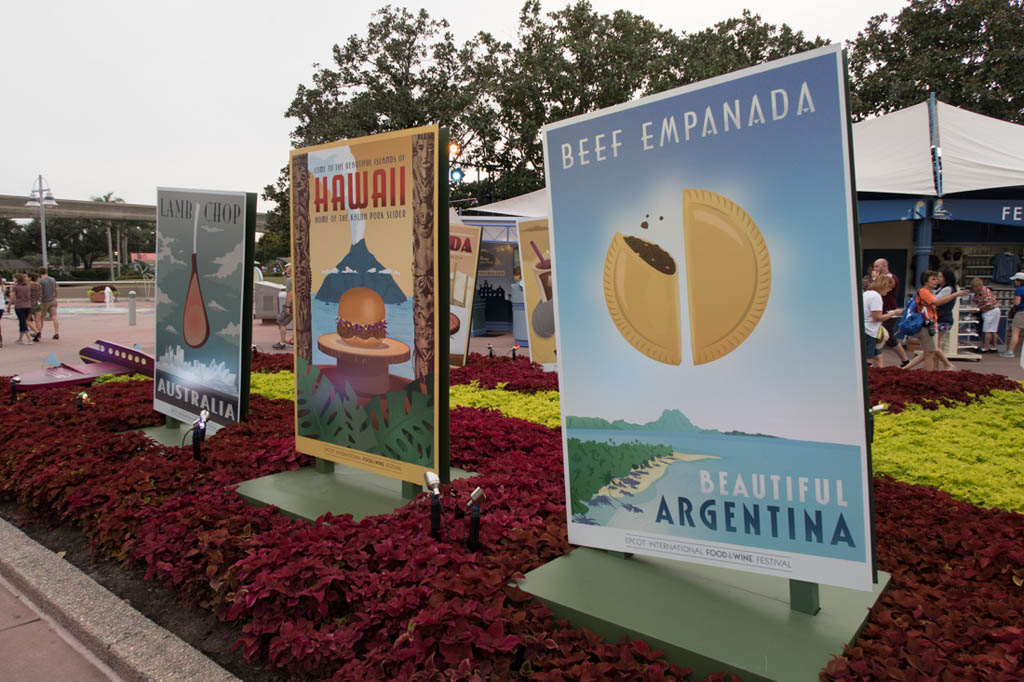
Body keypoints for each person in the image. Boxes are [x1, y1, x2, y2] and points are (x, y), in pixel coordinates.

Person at [902, 270, 970, 371]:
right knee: (930, 352)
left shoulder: (928, 291)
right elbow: (936, 302)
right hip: (927, 325)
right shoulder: (924, 291)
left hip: (930, 324)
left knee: (930, 351)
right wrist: (955, 295)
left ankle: (915, 369)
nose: (936, 281)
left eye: (937, 278)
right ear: (926, 281)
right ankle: (932, 373)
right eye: (933, 279)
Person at [873, 258, 910, 368]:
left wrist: (875, 279)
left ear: (884, 266)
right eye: (874, 266)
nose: (875, 269)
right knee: (880, 336)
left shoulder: (891, 278)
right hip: (880, 311)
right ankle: (904, 359)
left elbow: (881, 287)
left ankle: (905, 359)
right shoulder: (880, 278)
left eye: (877, 266)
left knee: (886, 336)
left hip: (889, 311)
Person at [863, 275, 902, 367]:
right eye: (889, 287)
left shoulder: (865, 294)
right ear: (884, 285)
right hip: (870, 331)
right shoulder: (876, 297)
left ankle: (878, 372)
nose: (889, 290)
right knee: (868, 359)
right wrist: (893, 313)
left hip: (865, 328)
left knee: (877, 355)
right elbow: (877, 317)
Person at [969, 277, 1000, 353]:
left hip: (991, 311)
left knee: (987, 330)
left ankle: (985, 347)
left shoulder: (986, 292)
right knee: (993, 330)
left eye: (974, 287)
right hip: (993, 311)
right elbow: (975, 300)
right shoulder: (978, 292)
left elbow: (989, 304)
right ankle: (993, 347)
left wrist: (978, 308)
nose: (973, 289)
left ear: (978, 286)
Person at [1000, 272, 1024, 358]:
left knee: (1015, 333)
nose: (1014, 282)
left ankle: (1010, 351)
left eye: (1015, 280)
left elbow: (1017, 302)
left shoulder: (1019, 289)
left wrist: (1012, 301)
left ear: (1019, 281)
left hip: (1021, 312)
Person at [273, 262, 293, 350]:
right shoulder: (296, 279)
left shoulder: (290, 280)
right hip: (297, 305)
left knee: (281, 322)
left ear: (291, 269)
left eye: (287, 268)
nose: (285, 270)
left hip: (290, 305)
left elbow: (290, 294)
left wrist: (287, 307)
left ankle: (282, 343)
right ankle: (293, 340)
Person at [37, 266, 60, 340]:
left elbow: (40, 291)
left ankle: (39, 332)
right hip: (53, 300)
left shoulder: (40, 281)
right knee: (54, 316)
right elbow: (56, 289)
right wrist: (55, 297)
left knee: (41, 318)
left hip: (44, 301)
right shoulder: (53, 279)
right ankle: (56, 332)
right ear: (46, 272)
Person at [12, 273, 34, 345]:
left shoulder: (15, 287)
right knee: (22, 322)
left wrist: (9, 304)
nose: (13, 279)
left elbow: (12, 296)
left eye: (14, 278)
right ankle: (20, 339)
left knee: (23, 322)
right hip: (28, 305)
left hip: (19, 306)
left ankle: (30, 339)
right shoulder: (28, 286)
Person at [28, 272, 43, 342]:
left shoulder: (29, 285)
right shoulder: (39, 285)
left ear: (30, 277)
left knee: (27, 320)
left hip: (31, 304)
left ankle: (36, 331)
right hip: (38, 303)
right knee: (38, 320)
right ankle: (39, 335)